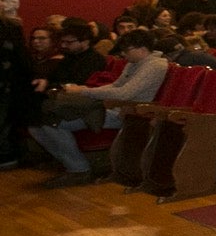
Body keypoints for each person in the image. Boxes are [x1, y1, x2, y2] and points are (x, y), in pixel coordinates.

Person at [28, 27, 168, 187]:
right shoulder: (135, 63)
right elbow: (115, 86)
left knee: (51, 123)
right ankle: (71, 165)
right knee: (37, 125)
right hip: (111, 107)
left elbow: (124, 93)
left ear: (142, 49)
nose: (123, 54)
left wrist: (85, 91)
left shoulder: (155, 66)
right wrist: (86, 91)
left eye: (126, 50)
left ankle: (79, 169)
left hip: (129, 112)